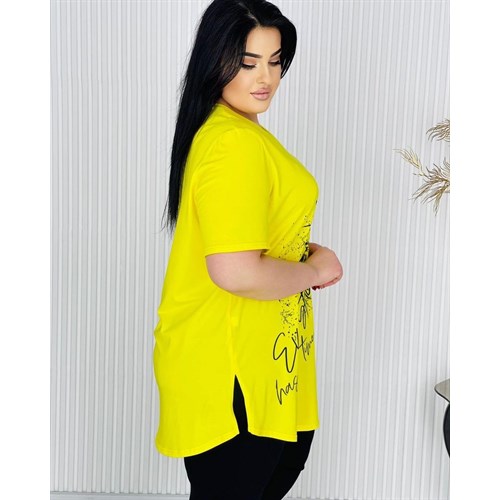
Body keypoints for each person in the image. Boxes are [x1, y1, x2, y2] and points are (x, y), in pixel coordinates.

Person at [152, 1, 343, 498]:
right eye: (247, 62)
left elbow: (242, 237)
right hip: (233, 366)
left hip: (259, 358)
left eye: (275, 61)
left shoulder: (234, 132)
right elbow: (236, 271)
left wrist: (302, 250)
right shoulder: (232, 143)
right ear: (214, 61)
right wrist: (315, 270)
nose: (266, 78)